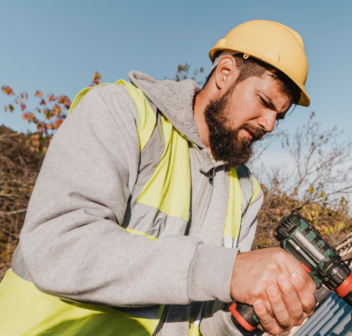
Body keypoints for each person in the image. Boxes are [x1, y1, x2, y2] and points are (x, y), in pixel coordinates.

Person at [0, 20, 315, 336]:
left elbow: (203, 321)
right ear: (226, 73)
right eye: (265, 102)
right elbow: (57, 247)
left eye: (280, 115)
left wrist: (244, 317)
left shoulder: (246, 191)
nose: (270, 124)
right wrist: (227, 271)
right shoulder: (122, 113)